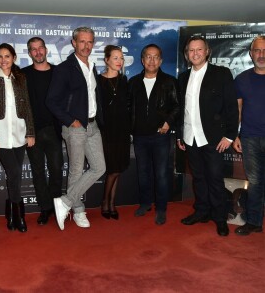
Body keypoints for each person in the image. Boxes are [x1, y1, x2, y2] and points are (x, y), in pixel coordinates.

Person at [177, 36, 238, 236]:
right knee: (199, 178)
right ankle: (202, 212)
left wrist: (230, 136)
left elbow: (231, 106)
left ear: (207, 51)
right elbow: (181, 109)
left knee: (215, 179)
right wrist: (180, 135)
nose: (195, 53)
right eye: (191, 50)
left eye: (199, 49)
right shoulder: (183, 77)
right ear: (187, 54)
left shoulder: (221, 74)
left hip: (213, 138)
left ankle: (220, 218)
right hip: (190, 137)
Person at [47, 27, 106, 230]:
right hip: (75, 126)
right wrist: (71, 120)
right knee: (76, 170)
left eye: (90, 42)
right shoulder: (64, 69)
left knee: (100, 167)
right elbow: (51, 101)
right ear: (74, 43)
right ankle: (78, 211)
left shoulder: (92, 67)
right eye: (82, 42)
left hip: (92, 124)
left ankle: (65, 201)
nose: (86, 46)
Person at [0, 43, 35, 232]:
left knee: (15, 176)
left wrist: (30, 132)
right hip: (0, 136)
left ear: (13, 58)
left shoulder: (20, 78)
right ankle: (19, 216)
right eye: (0, 56)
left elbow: (27, 106)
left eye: (7, 56)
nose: (3, 60)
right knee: (14, 173)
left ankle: (12, 215)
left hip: (20, 134)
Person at [128, 44, 179, 225]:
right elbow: (128, 109)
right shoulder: (133, 82)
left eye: (155, 57)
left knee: (161, 174)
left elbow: (177, 106)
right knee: (143, 173)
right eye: (148, 57)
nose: (151, 60)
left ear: (161, 60)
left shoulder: (170, 81)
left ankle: (162, 208)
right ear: (142, 60)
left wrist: (168, 122)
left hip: (160, 136)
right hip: (140, 137)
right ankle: (145, 203)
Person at [22, 37, 63, 225]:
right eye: (33, 49)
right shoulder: (22, 75)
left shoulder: (58, 73)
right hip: (32, 132)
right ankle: (45, 209)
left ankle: (57, 206)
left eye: (40, 48)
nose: (38, 52)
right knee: (38, 172)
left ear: (46, 50)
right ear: (29, 53)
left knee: (56, 170)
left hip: (55, 131)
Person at [233, 36, 265, 236]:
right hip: (250, 138)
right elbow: (238, 108)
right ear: (251, 54)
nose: (262, 55)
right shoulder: (242, 79)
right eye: (258, 51)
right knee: (255, 182)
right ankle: (254, 221)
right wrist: (235, 134)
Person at [98, 45, 130, 220]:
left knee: (118, 168)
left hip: (122, 131)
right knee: (112, 169)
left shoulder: (125, 80)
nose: (119, 61)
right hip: (105, 131)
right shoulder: (98, 81)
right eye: (116, 58)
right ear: (107, 60)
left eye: (121, 58)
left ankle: (111, 203)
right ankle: (105, 202)